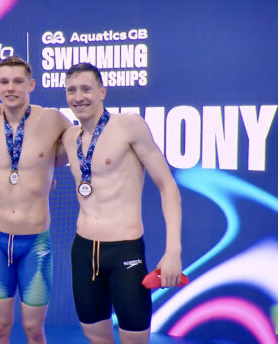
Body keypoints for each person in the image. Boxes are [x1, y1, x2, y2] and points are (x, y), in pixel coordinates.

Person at [61, 63, 182, 344]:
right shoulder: (69, 137)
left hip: (124, 251)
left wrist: (173, 250)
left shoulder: (129, 126)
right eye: (71, 91)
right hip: (83, 251)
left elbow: (168, 187)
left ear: (102, 92)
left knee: (134, 339)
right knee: (96, 337)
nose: (78, 97)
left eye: (86, 89)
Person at [0, 56, 71, 344]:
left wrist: (42, 178)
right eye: (4, 81)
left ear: (31, 84)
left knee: (33, 329)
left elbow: (79, 148)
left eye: (18, 81)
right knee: (0, 328)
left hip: (35, 243)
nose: (11, 87)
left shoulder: (52, 119)